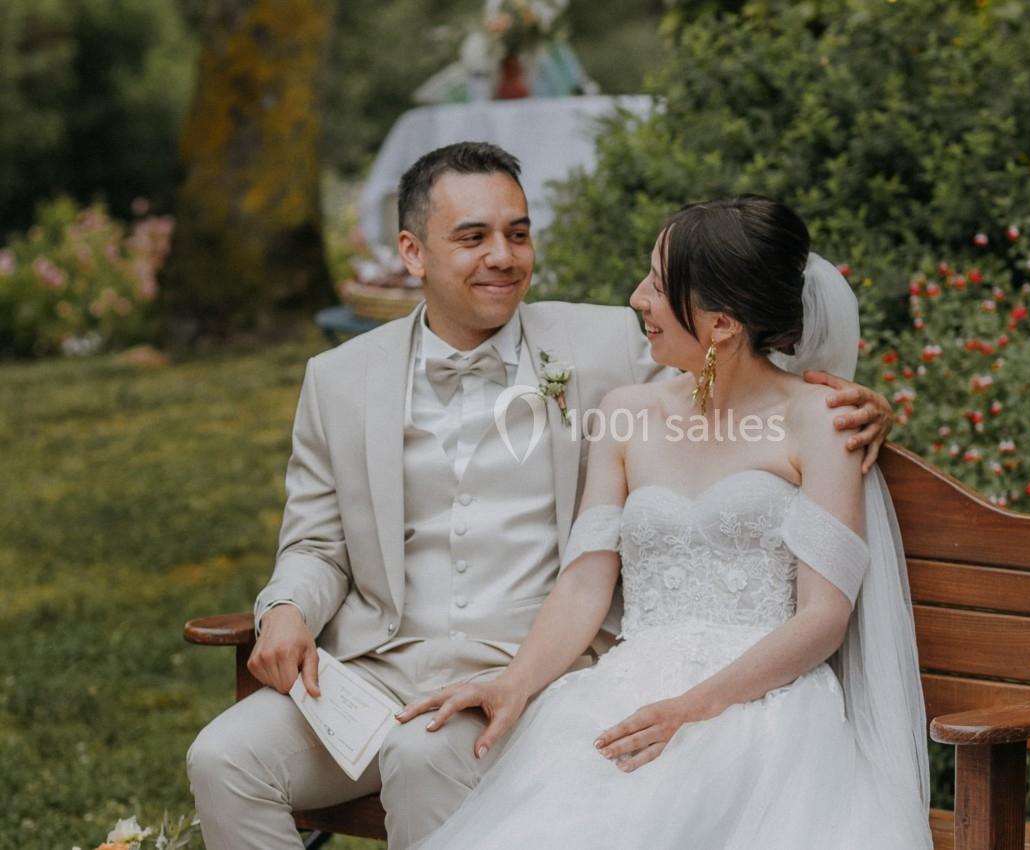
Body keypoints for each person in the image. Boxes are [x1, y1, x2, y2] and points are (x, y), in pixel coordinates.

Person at [185, 144, 895, 850]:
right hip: (376, 667)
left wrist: (865, 408)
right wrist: (281, 610)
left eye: (518, 233)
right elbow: (314, 541)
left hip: (537, 661)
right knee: (221, 761)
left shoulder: (607, 343)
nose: (503, 255)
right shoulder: (338, 379)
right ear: (412, 251)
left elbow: (736, 349)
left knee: (425, 758)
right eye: (473, 237)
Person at [399, 195, 933, 850]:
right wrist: (516, 682)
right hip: (627, 689)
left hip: (762, 707)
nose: (635, 297)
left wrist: (694, 708)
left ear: (721, 325)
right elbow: (585, 583)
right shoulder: (626, 411)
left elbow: (822, 617)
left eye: (656, 283)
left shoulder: (821, 420)